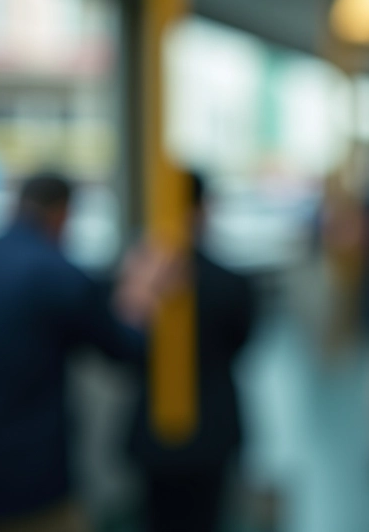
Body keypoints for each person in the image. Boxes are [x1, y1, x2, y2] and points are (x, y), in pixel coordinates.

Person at [0, 173, 159, 532]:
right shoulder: (59, 274)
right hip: (31, 483)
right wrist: (139, 301)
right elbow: (125, 349)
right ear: (63, 214)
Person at [128, 173, 256, 532]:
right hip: (214, 426)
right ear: (202, 209)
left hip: (153, 429)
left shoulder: (134, 281)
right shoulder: (230, 283)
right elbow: (240, 343)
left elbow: (122, 346)